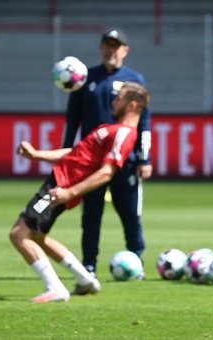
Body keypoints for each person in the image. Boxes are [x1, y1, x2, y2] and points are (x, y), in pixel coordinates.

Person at [9, 82, 150, 303]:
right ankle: (85, 280)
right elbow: (76, 153)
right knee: (37, 236)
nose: (113, 101)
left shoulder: (124, 134)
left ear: (131, 104)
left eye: (118, 97)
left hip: (61, 186)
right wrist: (37, 155)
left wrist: (69, 192)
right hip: (60, 182)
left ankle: (55, 287)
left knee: (18, 234)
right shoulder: (112, 129)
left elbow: (106, 173)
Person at [61, 28, 152, 277]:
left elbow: (144, 122)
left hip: (125, 160)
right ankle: (89, 264)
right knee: (91, 216)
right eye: (107, 44)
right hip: (91, 161)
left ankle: (136, 260)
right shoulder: (85, 79)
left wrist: (145, 158)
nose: (111, 49)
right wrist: (68, 152)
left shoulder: (135, 80)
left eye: (116, 45)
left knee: (130, 215)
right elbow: (72, 120)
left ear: (125, 49)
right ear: (101, 47)